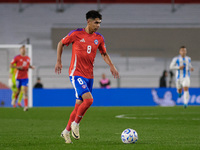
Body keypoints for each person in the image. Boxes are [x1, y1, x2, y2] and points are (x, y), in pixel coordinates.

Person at [55, 10, 119, 144]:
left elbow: (104, 53)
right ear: (88, 21)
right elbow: (60, 43)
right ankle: (76, 124)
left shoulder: (99, 38)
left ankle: (66, 132)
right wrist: (59, 61)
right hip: (76, 73)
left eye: (100, 23)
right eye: (96, 22)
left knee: (78, 105)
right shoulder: (76, 34)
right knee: (89, 101)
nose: (98, 25)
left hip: (89, 75)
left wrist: (111, 66)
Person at [10, 45, 35, 111]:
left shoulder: (28, 58)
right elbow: (11, 65)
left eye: (24, 49)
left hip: (25, 77)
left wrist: (31, 67)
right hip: (18, 77)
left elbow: (28, 65)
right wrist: (18, 67)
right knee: (18, 91)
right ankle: (14, 99)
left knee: (25, 91)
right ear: (20, 50)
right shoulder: (17, 57)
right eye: (22, 49)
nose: (23, 50)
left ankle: (26, 106)